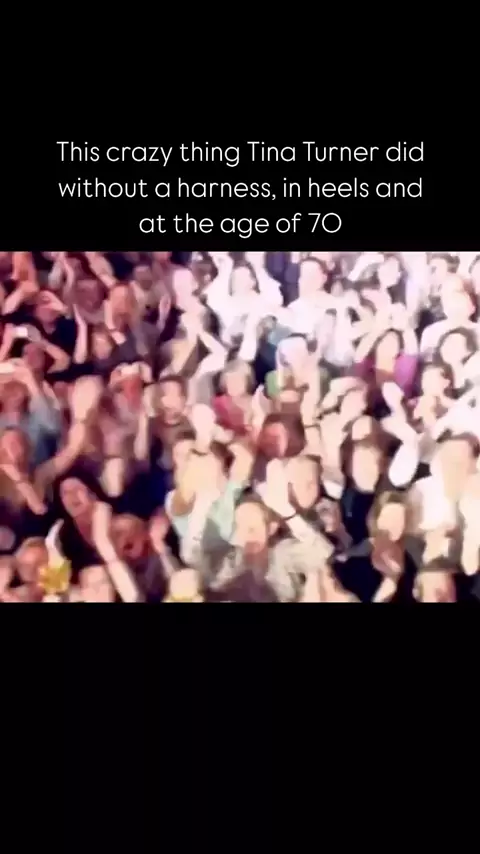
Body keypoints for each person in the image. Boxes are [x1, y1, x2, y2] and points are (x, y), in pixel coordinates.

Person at [2, 249, 480, 603]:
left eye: (255, 523)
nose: (250, 529)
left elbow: (309, 547)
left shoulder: (267, 536)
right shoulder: (171, 533)